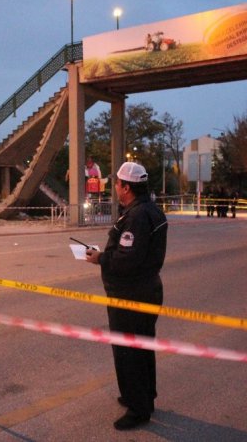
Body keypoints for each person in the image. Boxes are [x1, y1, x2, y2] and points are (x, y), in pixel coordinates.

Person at [85, 162, 168, 431]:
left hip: (130, 295)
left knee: (128, 351)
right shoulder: (150, 210)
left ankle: (138, 408)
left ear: (127, 187)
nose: (116, 189)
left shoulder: (136, 216)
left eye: (118, 184)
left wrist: (100, 258)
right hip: (146, 289)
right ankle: (144, 397)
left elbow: (126, 260)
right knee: (142, 347)